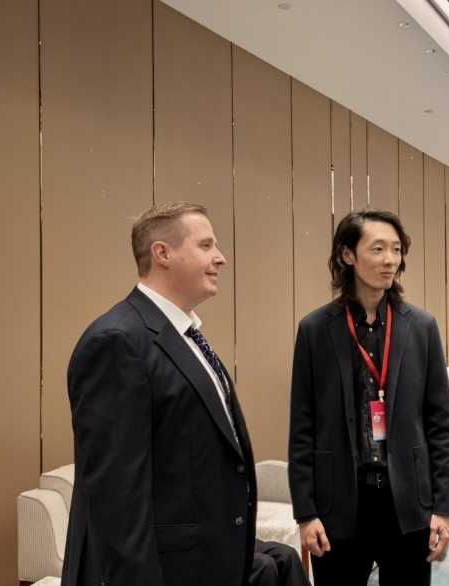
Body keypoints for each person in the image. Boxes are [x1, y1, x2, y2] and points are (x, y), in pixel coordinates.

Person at [62, 202, 308, 586]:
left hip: (204, 560)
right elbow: (117, 500)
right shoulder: (117, 342)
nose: (220, 258)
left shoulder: (184, 336)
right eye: (206, 245)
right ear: (162, 253)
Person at [288, 208, 449, 586]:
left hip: (407, 500)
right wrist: (306, 513)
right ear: (348, 255)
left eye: (396, 249)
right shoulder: (315, 329)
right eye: (378, 249)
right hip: (339, 504)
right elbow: (302, 426)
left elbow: (440, 423)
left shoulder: (421, 327)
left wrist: (444, 507)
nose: (390, 260)